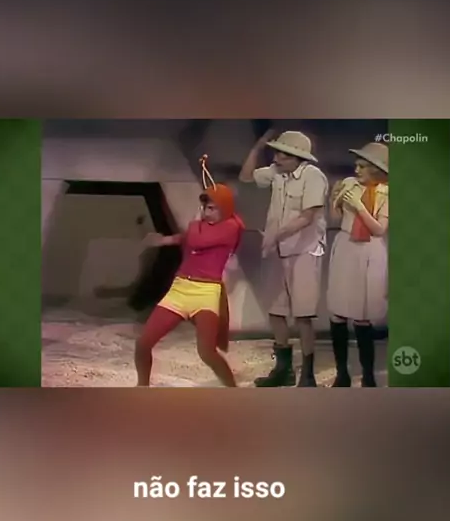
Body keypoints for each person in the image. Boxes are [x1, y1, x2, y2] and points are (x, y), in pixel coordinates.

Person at [134, 157, 245, 387]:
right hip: (180, 289)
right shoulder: (202, 227)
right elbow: (185, 239)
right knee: (143, 343)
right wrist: (163, 240)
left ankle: (233, 390)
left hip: (206, 292)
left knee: (206, 352)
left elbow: (195, 239)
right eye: (205, 208)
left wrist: (194, 222)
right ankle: (142, 387)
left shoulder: (231, 227)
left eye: (212, 208)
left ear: (224, 209)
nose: (206, 212)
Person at [239, 130, 328, 387]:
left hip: (304, 251)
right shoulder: (277, 172)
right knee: (276, 311)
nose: (277, 158)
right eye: (276, 152)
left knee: (303, 315)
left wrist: (275, 235)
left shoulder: (313, 176)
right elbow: (246, 177)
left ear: (298, 158)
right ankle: (283, 369)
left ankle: (307, 374)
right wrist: (257, 147)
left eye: (283, 154)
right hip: (278, 251)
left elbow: (307, 216)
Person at [327, 142, 389, 387]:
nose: (357, 169)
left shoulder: (385, 192)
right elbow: (336, 219)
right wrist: (334, 201)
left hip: (369, 251)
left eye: (362, 166)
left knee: (362, 317)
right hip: (345, 247)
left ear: (375, 169)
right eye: (357, 165)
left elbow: (379, 229)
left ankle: (368, 376)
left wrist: (359, 205)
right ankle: (341, 373)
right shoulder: (349, 184)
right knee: (337, 313)